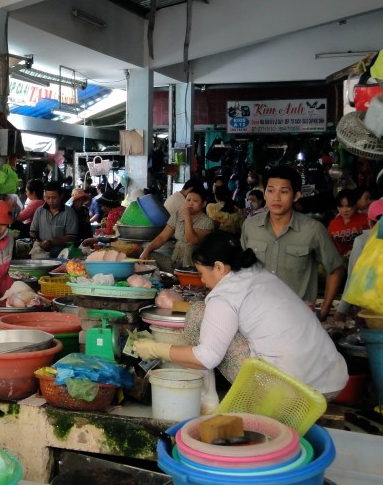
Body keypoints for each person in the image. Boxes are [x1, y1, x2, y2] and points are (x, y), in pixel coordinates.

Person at [134, 231, 349, 398]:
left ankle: (205, 395)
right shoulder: (259, 275)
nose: (203, 280)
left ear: (218, 267)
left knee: (199, 312)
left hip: (294, 394)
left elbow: (206, 357)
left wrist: (156, 349)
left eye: (202, 273)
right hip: (332, 383)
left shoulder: (224, 294)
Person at [241, 165, 345, 319]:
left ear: (296, 196)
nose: (276, 198)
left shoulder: (313, 229)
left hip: (298, 318)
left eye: (283, 192)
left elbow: (336, 269)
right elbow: (242, 270)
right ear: (265, 194)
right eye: (270, 191)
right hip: (256, 314)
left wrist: (324, 310)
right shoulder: (250, 226)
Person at [333, 198, 383, 322]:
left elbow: (353, 277)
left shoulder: (363, 241)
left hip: (369, 307)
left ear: (369, 221)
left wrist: (341, 311)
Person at [140, 185, 214, 269]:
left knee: (189, 247)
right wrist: (146, 250)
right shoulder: (177, 215)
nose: (190, 203)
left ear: (203, 204)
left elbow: (191, 240)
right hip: (174, 262)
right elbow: (162, 237)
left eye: (195, 201)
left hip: (193, 266)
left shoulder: (207, 222)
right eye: (188, 200)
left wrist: (187, 218)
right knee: (148, 254)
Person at [30, 181, 79, 254]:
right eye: (47, 197)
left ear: (61, 196)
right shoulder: (39, 211)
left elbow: (71, 237)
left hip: (62, 255)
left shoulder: (69, 213)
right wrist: (36, 241)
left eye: (54, 198)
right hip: (41, 254)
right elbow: (33, 231)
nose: (50, 201)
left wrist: (51, 242)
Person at [328, 188, 371, 259]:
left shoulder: (365, 219)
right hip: (342, 262)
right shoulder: (333, 224)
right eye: (341, 206)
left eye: (348, 206)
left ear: (355, 205)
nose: (344, 210)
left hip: (363, 260)